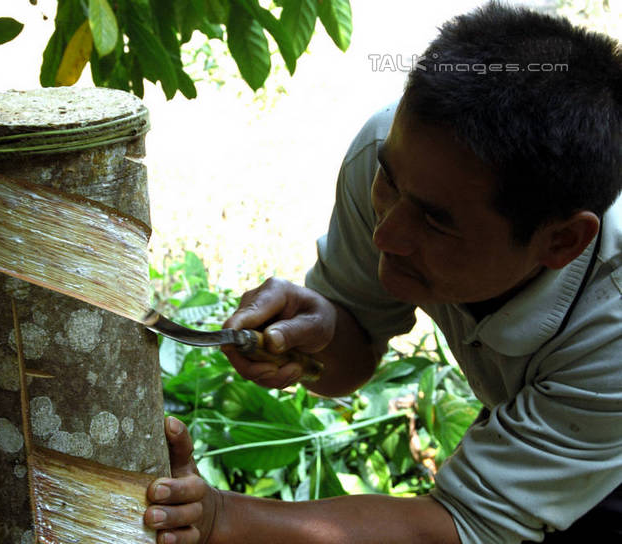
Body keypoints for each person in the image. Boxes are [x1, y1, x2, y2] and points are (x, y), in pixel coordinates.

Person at [143, 2, 622, 543]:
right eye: (388, 185)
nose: (386, 234)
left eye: (437, 223)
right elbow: (349, 362)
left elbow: (461, 527)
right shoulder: (394, 154)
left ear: (560, 241)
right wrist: (326, 330)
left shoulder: (614, 324)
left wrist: (221, 520)